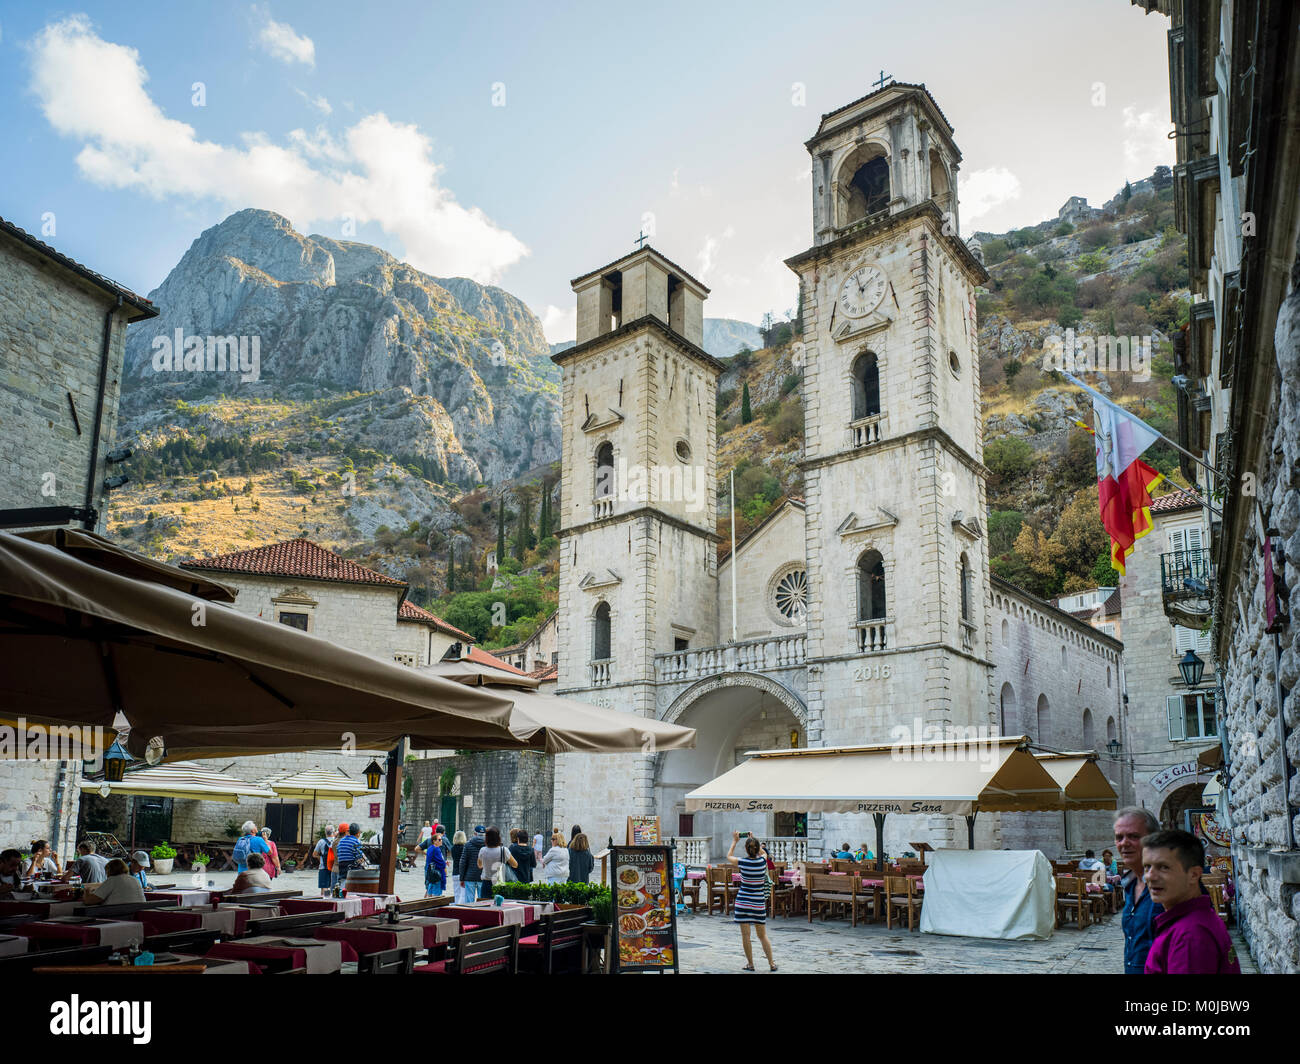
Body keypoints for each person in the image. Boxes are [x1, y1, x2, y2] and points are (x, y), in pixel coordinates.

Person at [1142, 829, 1241, 975]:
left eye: (1164, 867)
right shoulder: (1191, 922)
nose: (1150, 876)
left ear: (1194, 874)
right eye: (1147, 867)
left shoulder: (1189, 935)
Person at [1115, 806, 1162, 974]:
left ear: (1154, 839)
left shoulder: (1172, 884)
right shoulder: (1130, 884)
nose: (1124, 843)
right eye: (1119, 837)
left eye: (1134, 836)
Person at [727, 832, 777, 972]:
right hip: (757, 903)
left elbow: (729, 856)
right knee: (762, 935)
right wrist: (754, 839)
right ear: (756, 849)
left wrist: (734, 841)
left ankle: (750, 964)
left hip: (743, 902)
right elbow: (764, 853)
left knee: (746, 936)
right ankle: (771, 963)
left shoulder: (742, 862)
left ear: (746, 849)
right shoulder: (762, 862)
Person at [477, 827, 517, 892]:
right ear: (498, 838)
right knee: (500, 901)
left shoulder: (482, 850)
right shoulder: (504, 850)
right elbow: (515, 865)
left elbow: (479, 865)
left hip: (486, 883)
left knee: (485, 901)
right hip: (499, 882)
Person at [459, 825, 487, 901]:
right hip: (483, 877)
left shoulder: (468, 844)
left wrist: (461, 878)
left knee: (469, 902)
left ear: (474, 834)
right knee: (483, 901)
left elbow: (463, 862)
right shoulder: (488, 845)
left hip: (469, 876)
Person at [422, 833, 447, 898]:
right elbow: (440, 862)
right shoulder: (436, 849)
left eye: (441, 839)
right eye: (439, 840)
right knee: (436, 894)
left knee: (430, 892)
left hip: (430, 873)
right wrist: (444, 865)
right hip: (436, 873)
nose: (441, 841)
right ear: (434, 841)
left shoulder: (430, 848)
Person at [314, 827, 336, 897]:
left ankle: (326, 899)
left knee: (325, 886)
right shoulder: (336, 841)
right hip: (334, 867)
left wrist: (321, 858)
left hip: (323, 867)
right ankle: (331, 899)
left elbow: (314, 854)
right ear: (333, 832)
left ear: (325, 832)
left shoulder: (321, 841)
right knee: (333, 886)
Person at [449, 830, 467, 900]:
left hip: (455, 872)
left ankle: (456, 907)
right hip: (462, 873)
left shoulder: (453, 848)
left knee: (456, 894)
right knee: (463, 894)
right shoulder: (464, 848)